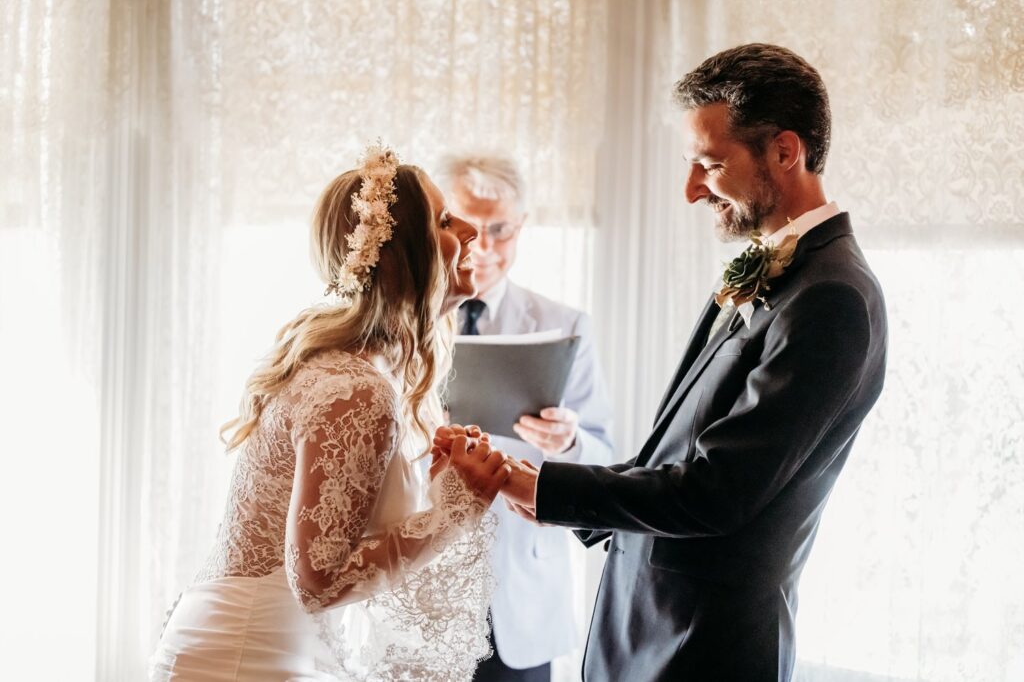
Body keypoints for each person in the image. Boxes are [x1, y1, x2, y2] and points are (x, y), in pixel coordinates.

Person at [445, 43, 889, 681]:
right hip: (652, 628)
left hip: (703, 647)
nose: (690, 190)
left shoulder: (832, 298)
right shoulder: (780, 275)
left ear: (785, 152)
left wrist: (537, 486)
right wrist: (544, 489)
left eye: (709, 165)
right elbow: (668, 461)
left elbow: (717, 492)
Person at [151, 145, 513, 682]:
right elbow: (318, 583)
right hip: (248, 656)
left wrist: (439, 484)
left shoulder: (369, 375)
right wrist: (455, 508)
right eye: (442, 219)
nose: (467, 229)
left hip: (280, 648)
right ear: (400, 255)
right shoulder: (356, 389)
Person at [436, 154, 614, 682]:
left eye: (500, 230)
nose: (484, 248)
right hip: (419, 585)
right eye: (469, 228)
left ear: (522, 227)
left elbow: (608, 458)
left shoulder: (564, 326)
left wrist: (568, 442)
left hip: (520, 593)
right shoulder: (403, 322)